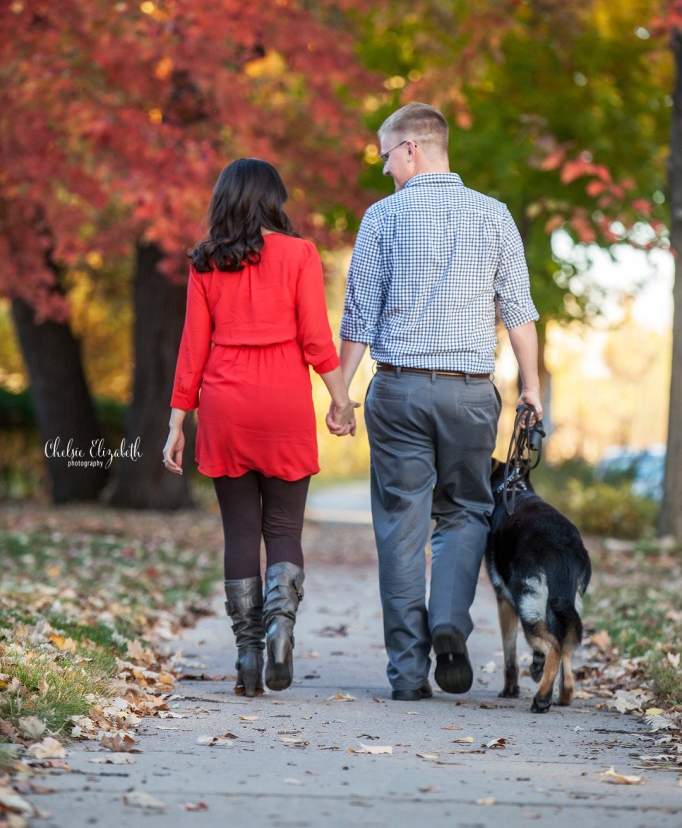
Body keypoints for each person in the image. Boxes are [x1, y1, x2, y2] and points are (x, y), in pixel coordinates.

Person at [329, 102, 542, 702]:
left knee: (401, 526)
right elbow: (519, 312)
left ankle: (406, 674)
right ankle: (449, 619)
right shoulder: (495, 216)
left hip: (397, 390)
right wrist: (531, 387)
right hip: (471, 393)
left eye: (386, 157)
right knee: (465, 511)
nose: (385, 170)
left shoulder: (383, 220)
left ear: (411, 149)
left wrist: (341, 393)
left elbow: (359, 319)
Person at [163, 158, 356, 698]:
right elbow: (317, 338)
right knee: (284, 530)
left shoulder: (205, 263)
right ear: (274, 198)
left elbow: (192, 347)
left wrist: (177, 421)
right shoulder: (300, 254)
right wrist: (341, 402)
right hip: (283, 402)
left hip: (225, 403)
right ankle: (280, 628)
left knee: (241, 531)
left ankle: (247, 653)